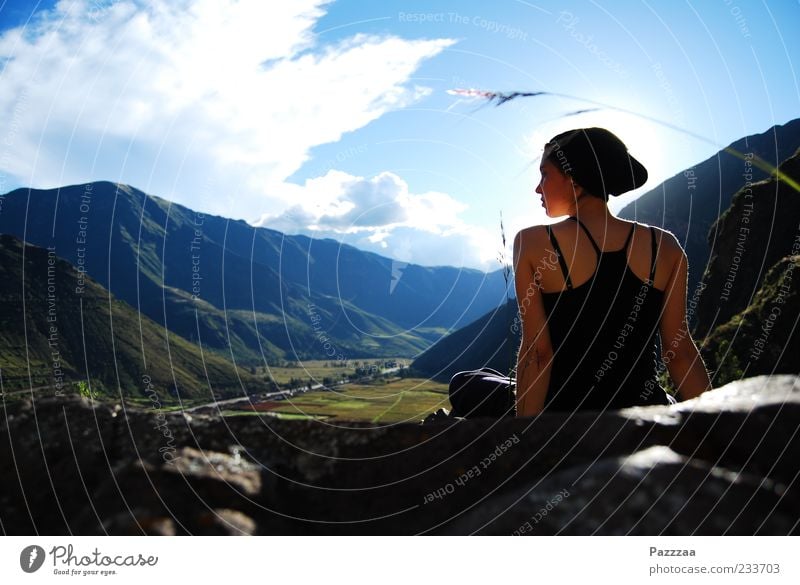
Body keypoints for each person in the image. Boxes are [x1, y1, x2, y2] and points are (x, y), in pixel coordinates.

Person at [513, 127, 711, 416]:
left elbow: (538, 354)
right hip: (644, 413)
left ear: (574, 179)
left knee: (469, 383)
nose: (538, 187)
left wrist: (523, 441)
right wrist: (721, 432)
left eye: (545, 174)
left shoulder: (531, 243)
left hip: (566, 417)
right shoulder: (665, 246)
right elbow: (679, 353)